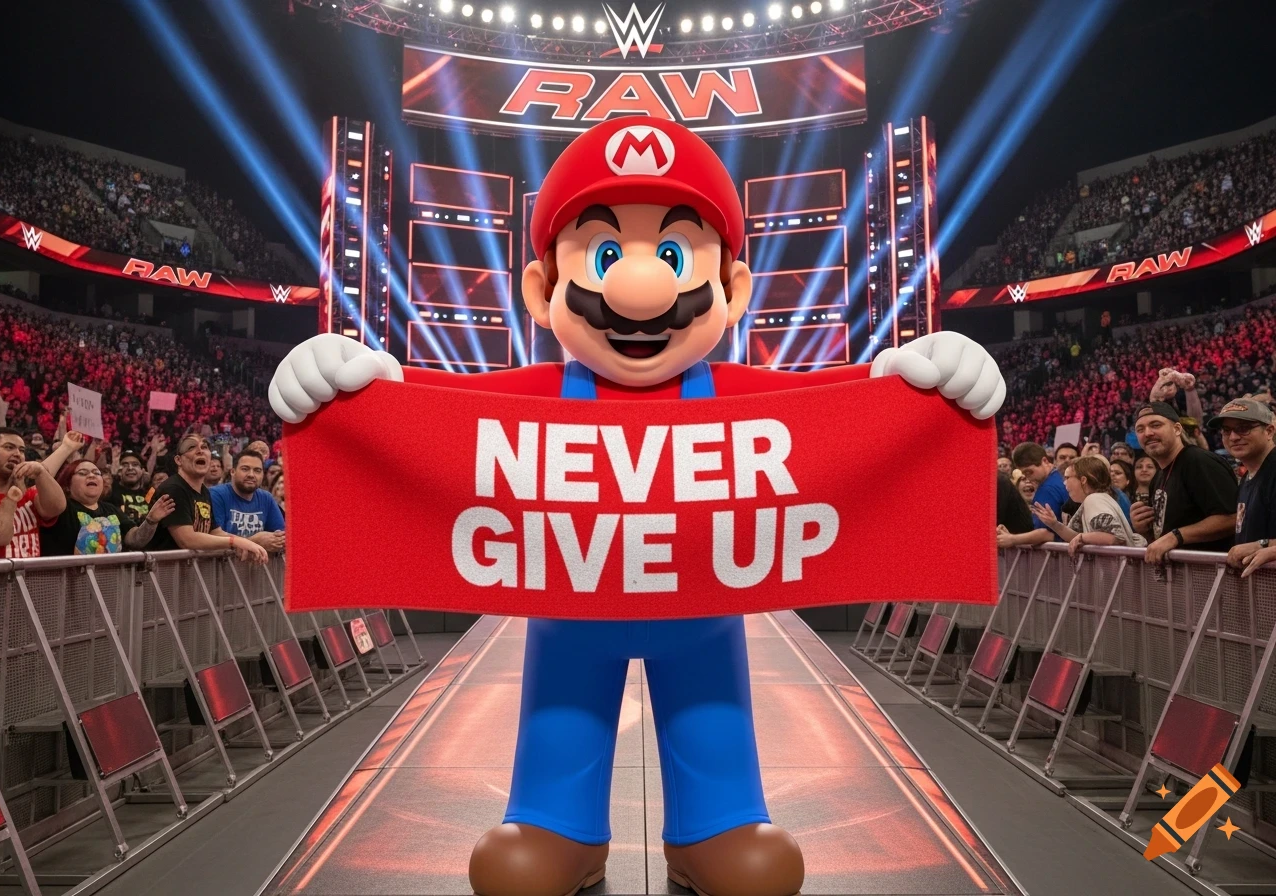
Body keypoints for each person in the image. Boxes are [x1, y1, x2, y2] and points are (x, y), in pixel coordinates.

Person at [267, 117, 1007, 896]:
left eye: (676, 255)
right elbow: (433, 419)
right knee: (558, 733)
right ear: (542, 290)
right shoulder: (539, 401)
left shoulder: (735, 401)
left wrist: (911, 382)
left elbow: (840, 417)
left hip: (704, 618)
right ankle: (559, 824)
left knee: (715, 733)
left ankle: (715, 823)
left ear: (733, 290)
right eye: (606, 253)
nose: (641, 288)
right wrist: (361, 388)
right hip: (569, 617)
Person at [1129, 401, 1237, 562]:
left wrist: (1176, 536)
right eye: (1140, 429)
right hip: (1179, 581)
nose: (1148, 433)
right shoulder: (1158, 477)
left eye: (1156, 425)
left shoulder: (1198, 461)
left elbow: (1233, 518)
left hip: (1209, 577)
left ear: (1177, 429)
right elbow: (1162, 537)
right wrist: (1144, 529)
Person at [146, 434, 268, 564]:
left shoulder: (203, 491)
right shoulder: (173, 488)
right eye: (191, 447)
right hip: (163, 575)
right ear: (178, 460)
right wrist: (234, 542)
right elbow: (187, 539)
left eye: (204, 446)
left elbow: (215, 532)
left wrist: (247, 543)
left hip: (187, 574)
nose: (200, 450)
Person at [40, 459, 175, 555]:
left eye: (96, 473)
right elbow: (42, 477)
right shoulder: (60, 508)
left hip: (109, 584)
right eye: (83, 473)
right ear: (67, 485)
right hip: (68, 586)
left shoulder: (111, 509)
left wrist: (151, 521)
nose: (92, 475)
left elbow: (135, 540)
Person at [1210, 399, 1276, 575]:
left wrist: (1264, 546)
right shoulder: (1248, 477)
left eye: (1243, 428)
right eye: (1226, 431)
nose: (1233, 437)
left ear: (1269, 431)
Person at [1031, 456, 1146, 556]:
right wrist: (1054, 524)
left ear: (1083, 480)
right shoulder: (1094, 500)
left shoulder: (1095, 499)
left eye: (1067, 478)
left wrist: (1082, 537)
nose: (1064, 483)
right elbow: (1076, 537)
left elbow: (1114, 538)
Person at [0, 427, 66, 558]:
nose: (17, 454)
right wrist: (11, 499)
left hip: (30, 578)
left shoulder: (27, 494)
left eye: (21, 450)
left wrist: (41, 473)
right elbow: (0, 538)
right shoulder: (18, 493)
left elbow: (57, 507)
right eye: (9, 447)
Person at [209, 450, 285, 553]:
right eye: (245, 469)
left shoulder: (266, 498)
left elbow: (282, 535)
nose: (251, 475)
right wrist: (254, 541)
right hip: (221, 567)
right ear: (233, 472)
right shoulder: (216, 495)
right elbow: (214, 538)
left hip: (258, 568)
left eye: (257, 470)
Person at [999, 443, 1068, 548]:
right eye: (1024, 474)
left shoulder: (1047, 489)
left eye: (1029, 472)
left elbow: (1048, 534)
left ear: (1045, 461)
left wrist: (1012, 539)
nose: (1028, 479)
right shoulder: (1060, 477)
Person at [110, 450, 151, 521]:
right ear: (119, 471)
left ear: (142, 471)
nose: (130, 468)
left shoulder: (149, 493)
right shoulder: (110, 491)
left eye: (135, 464)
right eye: (125, 465)